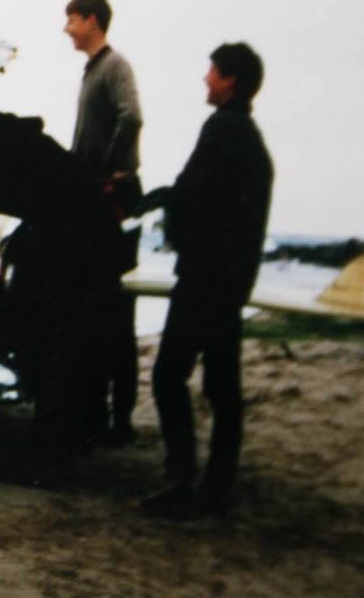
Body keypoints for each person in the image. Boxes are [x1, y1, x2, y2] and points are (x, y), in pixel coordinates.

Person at [0, 100, 121, 485]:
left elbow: (0, 205)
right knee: (75, 354)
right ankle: (77, 441)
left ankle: (49, 462)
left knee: (55, 354)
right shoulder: (15, 139)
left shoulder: (0, 152)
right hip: (97, 250)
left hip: (77, 257)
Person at [142, 42, 273, 520]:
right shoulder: (252, 140)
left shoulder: (221, 129)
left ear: (230, 81)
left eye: (213, 72)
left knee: (168, 376)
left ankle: (183, 481)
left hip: (203, 278)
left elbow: (190, 195)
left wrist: (160, 207)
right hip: (231, 282)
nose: (206, 79)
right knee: (222, 388)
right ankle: (217, 487)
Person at [64, 0, 145, 445]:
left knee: (115, 310)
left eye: (72, 19)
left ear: (92, 21)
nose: (66, 29)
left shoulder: (115, 66)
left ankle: (121, 419)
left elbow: (132, 117)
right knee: (93, 309)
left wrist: (106, 172)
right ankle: (94, 413)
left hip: (114, 199)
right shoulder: (93, 69)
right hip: (92, 199)